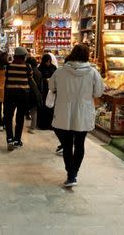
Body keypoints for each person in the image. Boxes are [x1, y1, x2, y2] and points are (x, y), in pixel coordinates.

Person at [49, 44, 104, 187]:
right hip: (83, 112)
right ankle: (75, 173)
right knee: (79, 144)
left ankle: (70, 174)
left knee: (67, 145)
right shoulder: (93, 73)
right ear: (87, 55)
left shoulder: (60, 71)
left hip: (64, 112)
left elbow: (51, 87)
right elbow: (98, 93)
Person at [3, 47, 35, 151]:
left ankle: (9, 139)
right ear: (23, 56)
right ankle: (17, 140)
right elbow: (30, 77)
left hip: (10, 94)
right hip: (23, 95)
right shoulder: (27, 66)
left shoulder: (8, 66)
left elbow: (6, 78)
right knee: (20, 117)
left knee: (8, 117)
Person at [26, 56, 43, 133]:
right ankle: (32, 126)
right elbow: (41, 85)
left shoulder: (28, 71)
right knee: (34, 111)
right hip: (36, 93)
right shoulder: (39, 72)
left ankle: (32, 127)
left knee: (28, 110)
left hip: (29, 93)